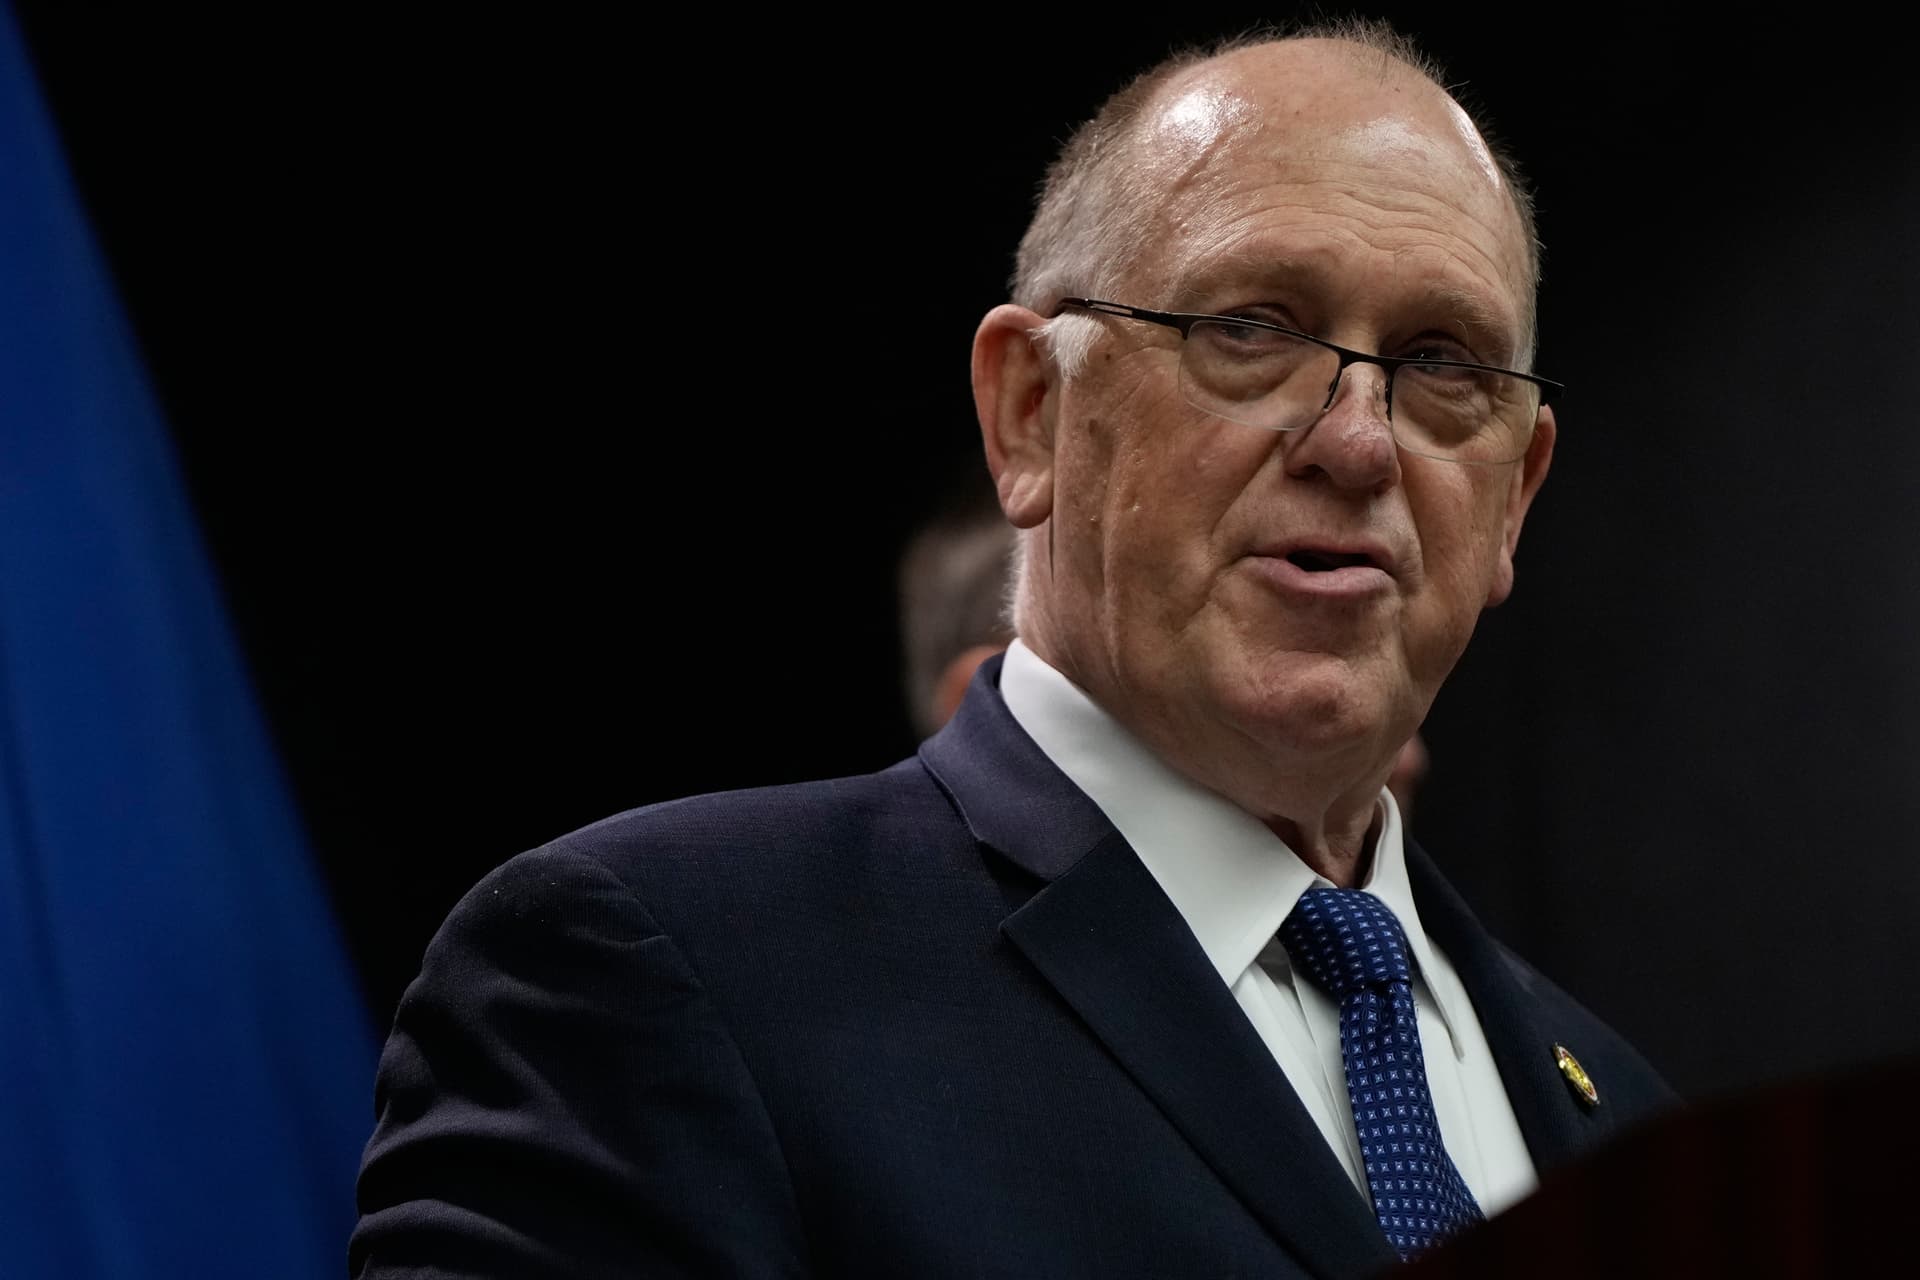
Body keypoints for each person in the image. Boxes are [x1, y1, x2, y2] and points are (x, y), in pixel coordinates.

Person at [352, 19, 1677, 1278]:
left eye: (1444, 360)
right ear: (1033, 413)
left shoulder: (1632, 1123)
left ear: (1513, 497)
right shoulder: (662, 974)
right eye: (1251, 329)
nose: (1359, 440)